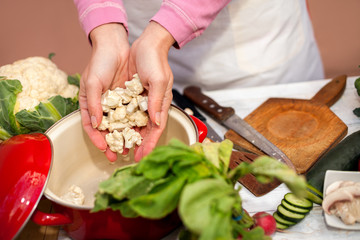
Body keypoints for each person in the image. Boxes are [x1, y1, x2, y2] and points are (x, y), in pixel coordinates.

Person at [73, 0, 324, 162]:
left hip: (255, 46)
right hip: (144, 42)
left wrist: (160, 35)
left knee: (298, 147)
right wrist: (107, 30)